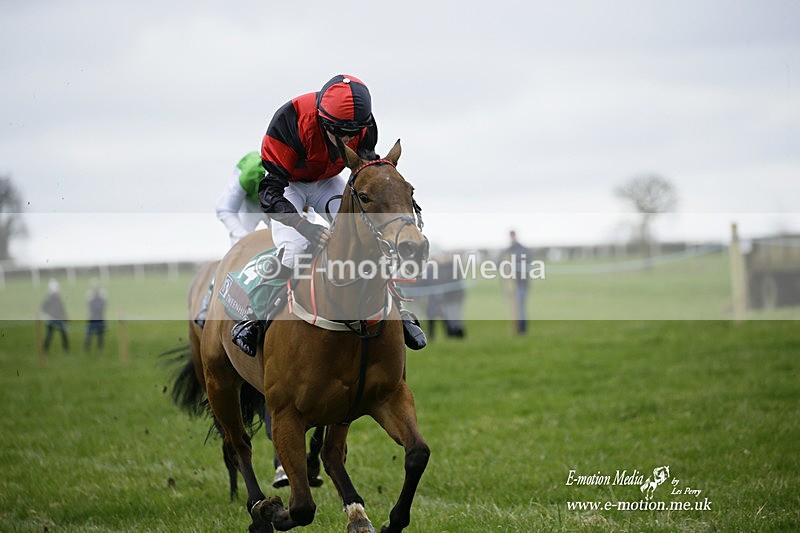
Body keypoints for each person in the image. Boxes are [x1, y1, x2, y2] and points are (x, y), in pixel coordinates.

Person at [231, 73, 427, 356]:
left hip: (328, 182)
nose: (349, 139)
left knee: (368, 235)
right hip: (288, 185)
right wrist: (305, 227)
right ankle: (255, 318)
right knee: (296, 246)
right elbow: (269, 195)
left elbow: (365, 170)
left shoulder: (366, 126)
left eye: (354, 132)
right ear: (323, 121)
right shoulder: (287, 124)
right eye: (341, 133)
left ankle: (397, 308)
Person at [215, 151, 270, 247]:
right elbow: (223, 208)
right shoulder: (250, 174)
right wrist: (242, 239)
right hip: (248, 201)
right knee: (241, 242)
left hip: (271, 201)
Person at [504, 230, 530, 334]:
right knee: (513, 307)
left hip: (521, 282)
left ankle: (522, 329)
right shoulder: (507, 250)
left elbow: (527, 260)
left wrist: (513, 262)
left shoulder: (523, 249)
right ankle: (517, 328)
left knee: (520, 306)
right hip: (510, 283)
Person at [42, 278, 69, 353]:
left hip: (58, 319)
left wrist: (65, 317)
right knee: (50, 335)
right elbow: (44, 308)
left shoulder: (57, 298)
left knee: (63, 334)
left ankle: (65, 349)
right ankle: (45, 349)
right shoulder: (49, 298)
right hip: (52, 319)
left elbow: (62, 309)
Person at [84, 280, 107, 352]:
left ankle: (99, 349)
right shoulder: (96, 300)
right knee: (89, 336)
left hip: (98, 320)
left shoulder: (97, 300)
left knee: (100, 337)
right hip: (94, 320)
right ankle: (87, 349)